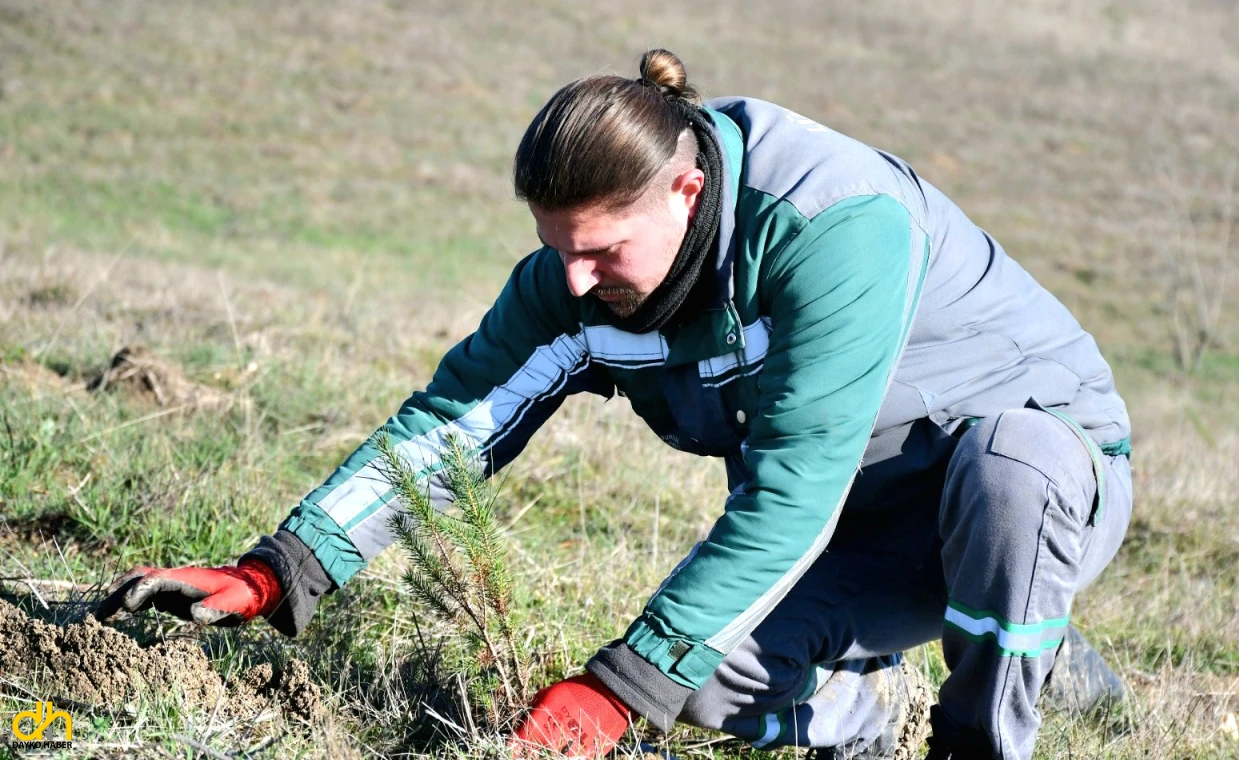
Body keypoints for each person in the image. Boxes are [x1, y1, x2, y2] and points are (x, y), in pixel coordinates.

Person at [96, 49, 1133, 760]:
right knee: (691, 674)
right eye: (557, 244)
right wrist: (279, 568)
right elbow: (451, 424)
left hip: (1028, 482)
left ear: (684, 193)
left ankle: (991, 703)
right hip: (852, 532)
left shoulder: (833, 224)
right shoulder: (576, 282)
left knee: (1010, 466)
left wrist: (612, 690)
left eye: (600, 248)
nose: (576, 276)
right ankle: (868, 709)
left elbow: (792, 490)